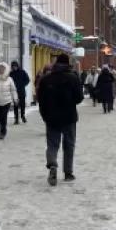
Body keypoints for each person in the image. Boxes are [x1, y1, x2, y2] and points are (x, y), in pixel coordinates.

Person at [38, 54, 84, 185]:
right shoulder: (73, 78)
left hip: (52, 118)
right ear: (68, 63)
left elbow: (41, 100)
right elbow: (79, 98)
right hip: (69, 117)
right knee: (69, 145)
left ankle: (52, 164)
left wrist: (45, 116)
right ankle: (68, 173)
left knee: (52, 144)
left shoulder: (46, 79)